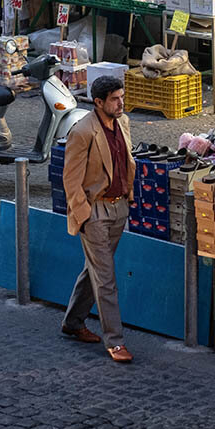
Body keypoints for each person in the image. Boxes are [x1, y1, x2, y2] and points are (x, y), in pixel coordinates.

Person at [60, 76, 136, 363]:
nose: (121, 103)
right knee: (105, 277)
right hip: (95, 210)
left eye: (122, 97)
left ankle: (73, 322)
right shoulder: (83, 132)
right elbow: (71, 179)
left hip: (119, 207)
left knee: (94, 269)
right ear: (98, 102)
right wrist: (84, 214)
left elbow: (126, 161)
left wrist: (129, 195)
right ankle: (115, 342)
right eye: (115, 99)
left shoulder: (123, 122)